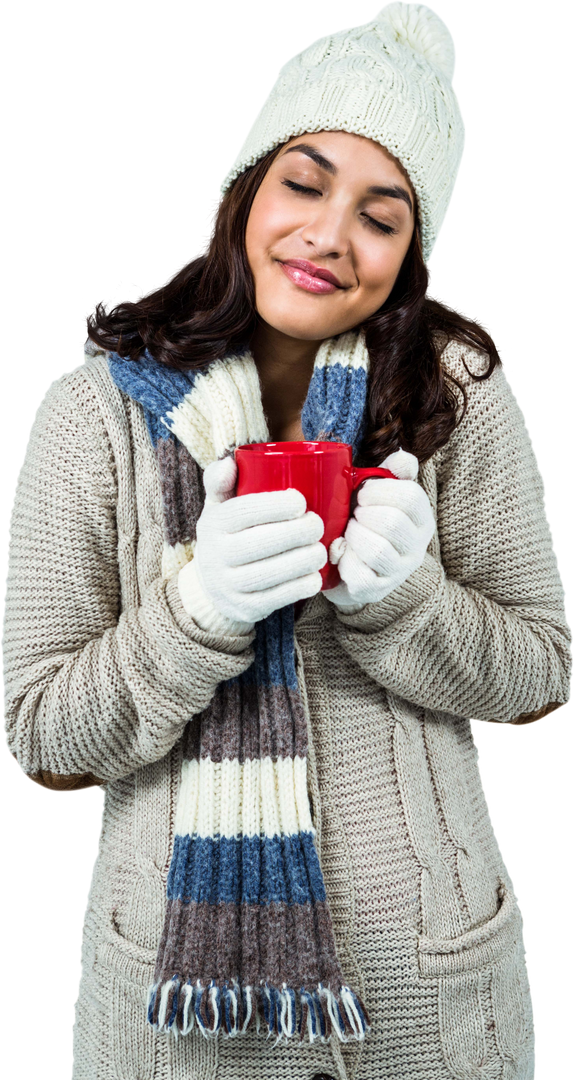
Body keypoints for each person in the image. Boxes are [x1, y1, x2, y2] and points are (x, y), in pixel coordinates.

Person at [2, 4, 572, 1079]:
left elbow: (541, 672)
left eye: (380, 214)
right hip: (174, 1013)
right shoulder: (90, 417)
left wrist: (408, 601)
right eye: (303, 184)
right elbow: (42, 739)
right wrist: (194, 614)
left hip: (431, 998)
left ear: (410, 253)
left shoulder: (458, 397)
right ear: (244, 191)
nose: (327, 236)